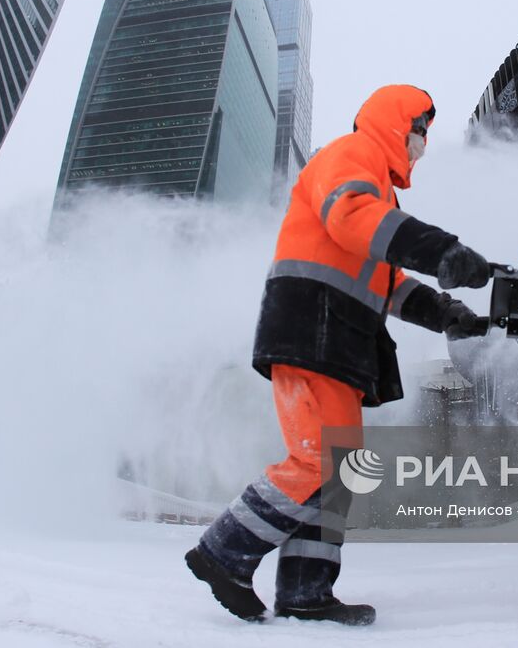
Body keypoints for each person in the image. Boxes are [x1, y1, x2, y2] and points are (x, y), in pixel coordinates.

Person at [185, 85, 491, 626]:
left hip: (339, 340)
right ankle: (223, 551)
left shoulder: (382, 196)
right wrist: (444, 251)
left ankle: (306, 591)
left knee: (340, 470)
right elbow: (349, 215)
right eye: (420, 130)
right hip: (311, 328)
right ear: (398, 125)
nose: (422, 144)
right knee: (318, 460)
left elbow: (390, 284)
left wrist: (449, 312)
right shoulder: (352, 157)